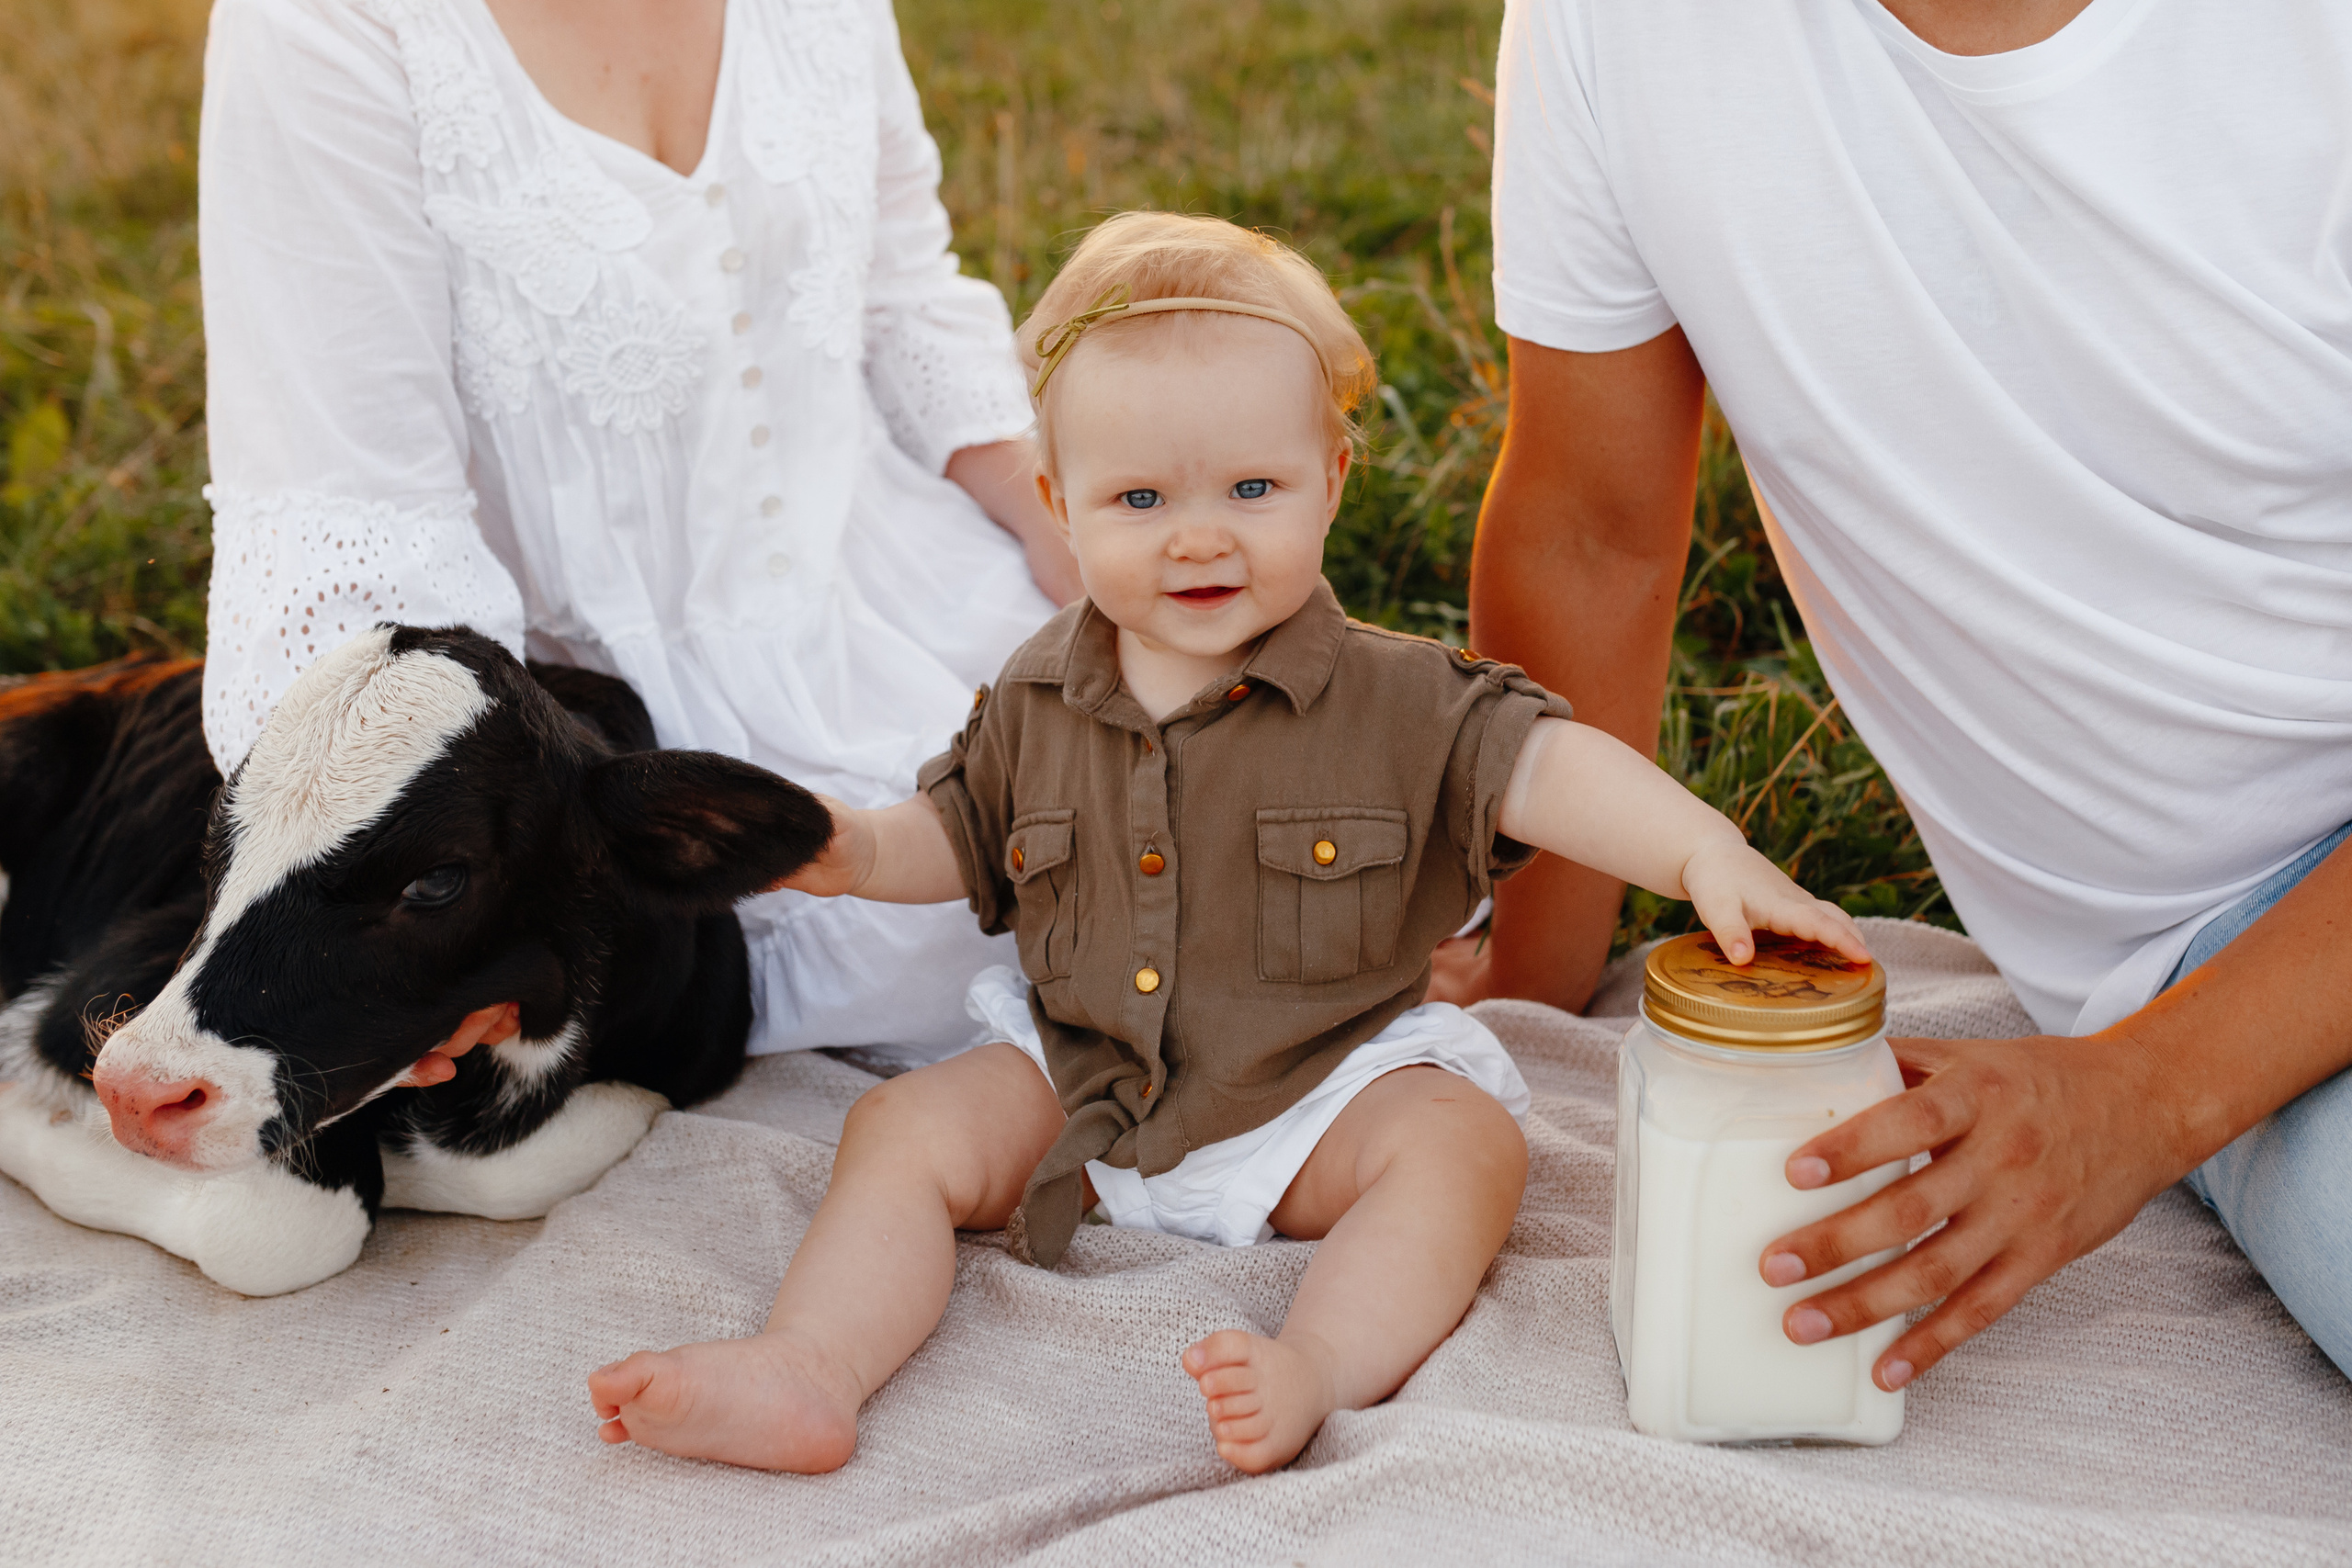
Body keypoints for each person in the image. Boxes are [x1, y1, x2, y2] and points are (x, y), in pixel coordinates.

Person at [585, 211, 1871, 1474]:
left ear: (1332, 479)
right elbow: (964, 831)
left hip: (1315, 1091)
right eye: (1139, 497)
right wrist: (860, 851)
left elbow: (1541, 761)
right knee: (903, 1130)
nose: (1199, 535)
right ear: (1058, 502)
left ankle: (1315, 1360)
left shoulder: (1395, 696)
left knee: (1460, 1148)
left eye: (1253, 488)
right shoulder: (1035, 693)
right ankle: (810, 1363)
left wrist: (1702, 849)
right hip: (1086, 1083)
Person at [1462, 0, 2352, 1385]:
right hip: (2189, 953)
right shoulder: (1612, 27)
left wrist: (2142, 1095)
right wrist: (1519, 970)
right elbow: (1593, 529)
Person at [196, 0, 1079, 1065]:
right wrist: (445, 868)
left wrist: (1064, 535)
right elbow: (353, 504)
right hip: (613, 723)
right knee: (978, 926)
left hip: (897, 585)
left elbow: (902, 300)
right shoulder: (327, 28)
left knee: (1194, 798)